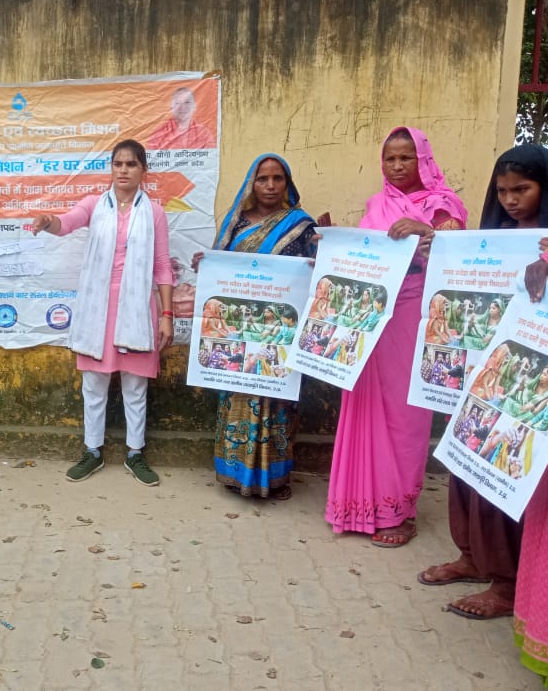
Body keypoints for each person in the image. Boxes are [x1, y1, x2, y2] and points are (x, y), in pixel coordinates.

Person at [420, 147, 548, 627]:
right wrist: (439, 256)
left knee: (505, 469)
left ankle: (507, 581)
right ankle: (472, 555)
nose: (511, 200)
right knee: (466, 460)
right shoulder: (493, 240)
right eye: (502, 191)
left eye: (523, 189)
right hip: (479, 371)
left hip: (525, 378)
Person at [325, 127, 467, 547]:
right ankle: (360, 505)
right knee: (366, 405)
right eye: (390, 158)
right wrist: (333, 253)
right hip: (371, 316)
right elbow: (366, 256)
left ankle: (401, 512)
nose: (398, 166)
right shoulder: (377, 204)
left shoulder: (443, 205)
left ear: (424, 160)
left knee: (407, 413)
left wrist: (426, 232)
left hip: (415, 312)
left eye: (407, 157)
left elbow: (460, 258)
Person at [31, 139, 173, 486]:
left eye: (131, 164)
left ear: (143, 170)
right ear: (111, 168)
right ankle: (92, 452)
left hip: (137, 308)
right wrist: (48, 221)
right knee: (94, 384)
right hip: (98, 309)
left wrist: (167, 314)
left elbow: (162, 265)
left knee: (135, 385)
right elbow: (66, 223)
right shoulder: (94, 205)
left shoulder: (154, 212)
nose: (123, 170)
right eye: (118, 163)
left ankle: (135, 454)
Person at [193, 153, 322, 499]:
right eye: (262, 179)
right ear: (252, 183)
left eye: (278, 178)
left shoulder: (301, 226)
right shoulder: (236, 224)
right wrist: (206, 265)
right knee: (237, 397)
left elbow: (315, 274)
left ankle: (275, 478)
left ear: (287, 184)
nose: (270, 185)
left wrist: (324, 256)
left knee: (278, 404)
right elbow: (221, 271)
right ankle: (234, 474)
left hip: (279, 334)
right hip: (238, 331)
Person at [146, 87, 216, 149]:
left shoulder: (204, 134)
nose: (182, 107)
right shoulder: (158, 135)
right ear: (171, 107)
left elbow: (211, 158)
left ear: (194, 106)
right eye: (177, 103)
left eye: (187, 102)